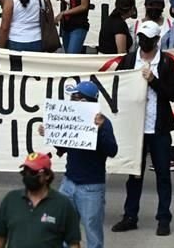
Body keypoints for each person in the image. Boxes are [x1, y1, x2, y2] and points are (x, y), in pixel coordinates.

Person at [112, 21, 174, 237]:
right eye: (141, 38)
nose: (144, 43)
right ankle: (130, 216)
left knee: (163, 176)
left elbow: (173, 94)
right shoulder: (129, 60)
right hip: (135, 129)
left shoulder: (167, 63)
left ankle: (163, 218)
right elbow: (118, 87)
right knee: (134, 175)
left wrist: (153, 81)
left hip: (158, 129)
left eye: (148, 39)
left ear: (157, 40)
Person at [42, 81, 118, 248]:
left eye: (75, 97)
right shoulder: (74, 119)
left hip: (91, 187)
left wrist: (98, 131)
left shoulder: (103, 123)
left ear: (85, 101)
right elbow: (64, 147)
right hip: (68, 183)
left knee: (92, 231)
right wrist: (51, 135)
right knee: (63, 228)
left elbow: (112, 150)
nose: (71, 100)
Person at [0, 152, 81, 248]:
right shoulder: (11, 199)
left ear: (47, 175)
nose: (28, 176)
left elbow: (73, 243)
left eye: (33, 173)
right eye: (25, 172)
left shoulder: (63, 204)